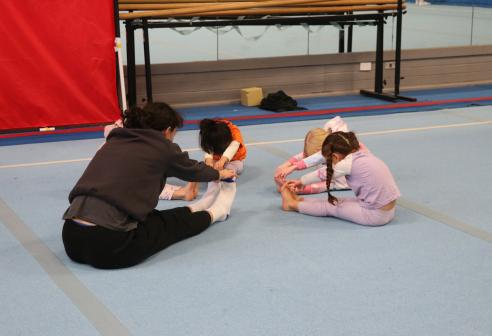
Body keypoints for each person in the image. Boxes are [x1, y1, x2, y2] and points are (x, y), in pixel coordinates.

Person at [62, 102, 236, 269]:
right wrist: (219, 174)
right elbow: (192, 170)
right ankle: (218, 211)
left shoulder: (115, 140)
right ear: (168, 131)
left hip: (71, 237)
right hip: (110, 246)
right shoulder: (162, 147)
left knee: (153, 217)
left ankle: (201, 205)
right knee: (168, 227)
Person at [281, 131, 400, 226]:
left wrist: (301, 181)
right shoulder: (362, 151)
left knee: (330, 207)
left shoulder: (347, 163)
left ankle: (292, 204)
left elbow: (323, 173)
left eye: (330, 160)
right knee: (338, 201)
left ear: (335, 157)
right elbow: (319, 158)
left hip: (374, 215)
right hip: (388, 210)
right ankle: (301, 202)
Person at [104, 118, 199, 201]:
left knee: (149, 177)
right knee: (141, 184)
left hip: (117, 165)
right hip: (115, 173)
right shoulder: (139, 139)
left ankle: (182, 192)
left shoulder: (134, 135)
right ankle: (180, 193)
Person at [274, 116, 350, 194]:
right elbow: (308, 155)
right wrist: (286, 165)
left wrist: (300, 189)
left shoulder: (342, 172)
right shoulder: (328, 132)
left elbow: (326, 183)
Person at [196, 118, 247, 206]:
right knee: (204, 166)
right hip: (217, 158)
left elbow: (233, 147)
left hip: (235, 159)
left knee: (230, 167)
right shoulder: (209, 130)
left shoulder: (234, 132)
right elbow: (208, 148)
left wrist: (223, 160)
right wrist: (209, 160)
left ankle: (225, 179)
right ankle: (214, 177)